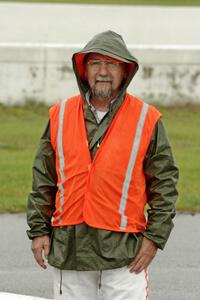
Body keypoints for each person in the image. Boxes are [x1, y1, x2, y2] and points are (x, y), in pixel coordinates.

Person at [27, 30, 179, 300]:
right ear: (84, 70)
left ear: (125, 71)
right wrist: (39, 230)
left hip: (124, 257)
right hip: (70, 252)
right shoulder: (60, 114)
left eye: (112, 63)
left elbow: (165, 183)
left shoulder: (147, 118)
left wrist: (155, 238)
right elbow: (44, 179)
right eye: (96, 62)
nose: (103, 71)